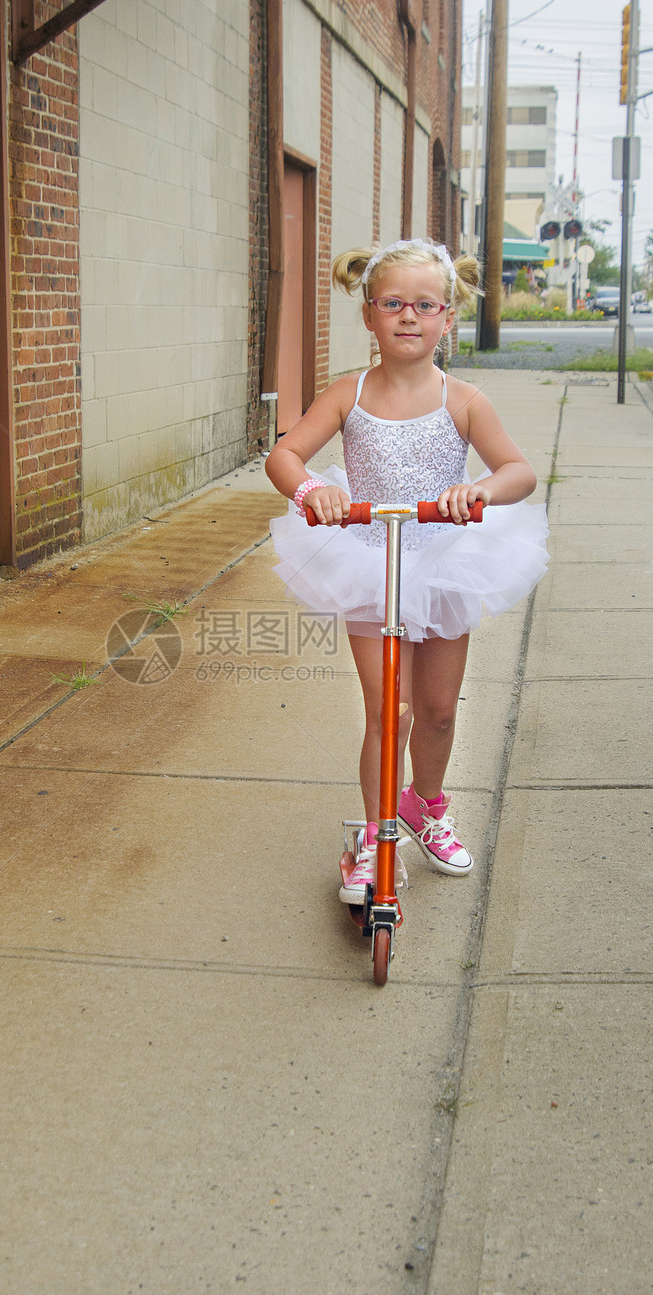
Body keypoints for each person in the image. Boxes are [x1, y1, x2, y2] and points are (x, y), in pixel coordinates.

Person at [264, 237, 549, 903]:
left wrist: (478, 491)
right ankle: (374, 832)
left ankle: (425, 805)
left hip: (447, 562)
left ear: (449, 317)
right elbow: (286, 457)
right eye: (393, 303)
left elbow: (519, 471)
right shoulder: (348, 393)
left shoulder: (464, 399)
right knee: (388, 710)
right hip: (371, 561)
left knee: (438, 710)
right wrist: (312, 493)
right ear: (369, 315)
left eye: (426, 304)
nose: (409, 316)